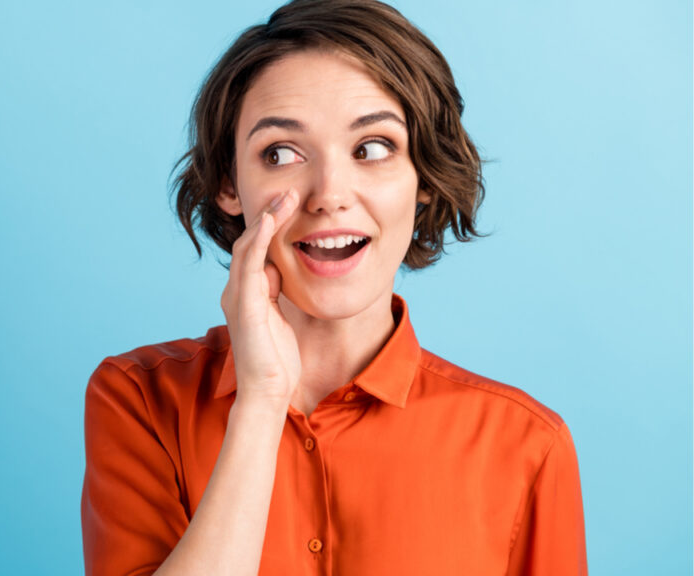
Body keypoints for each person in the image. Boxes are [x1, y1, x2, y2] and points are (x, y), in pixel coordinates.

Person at [80, 0, 587, 574]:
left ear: (423, 178)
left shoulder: (526, 444)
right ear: (229, 184)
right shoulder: (140, 400)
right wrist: (262, 400)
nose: (329, 194)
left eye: (372, 148)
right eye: (281, 153)